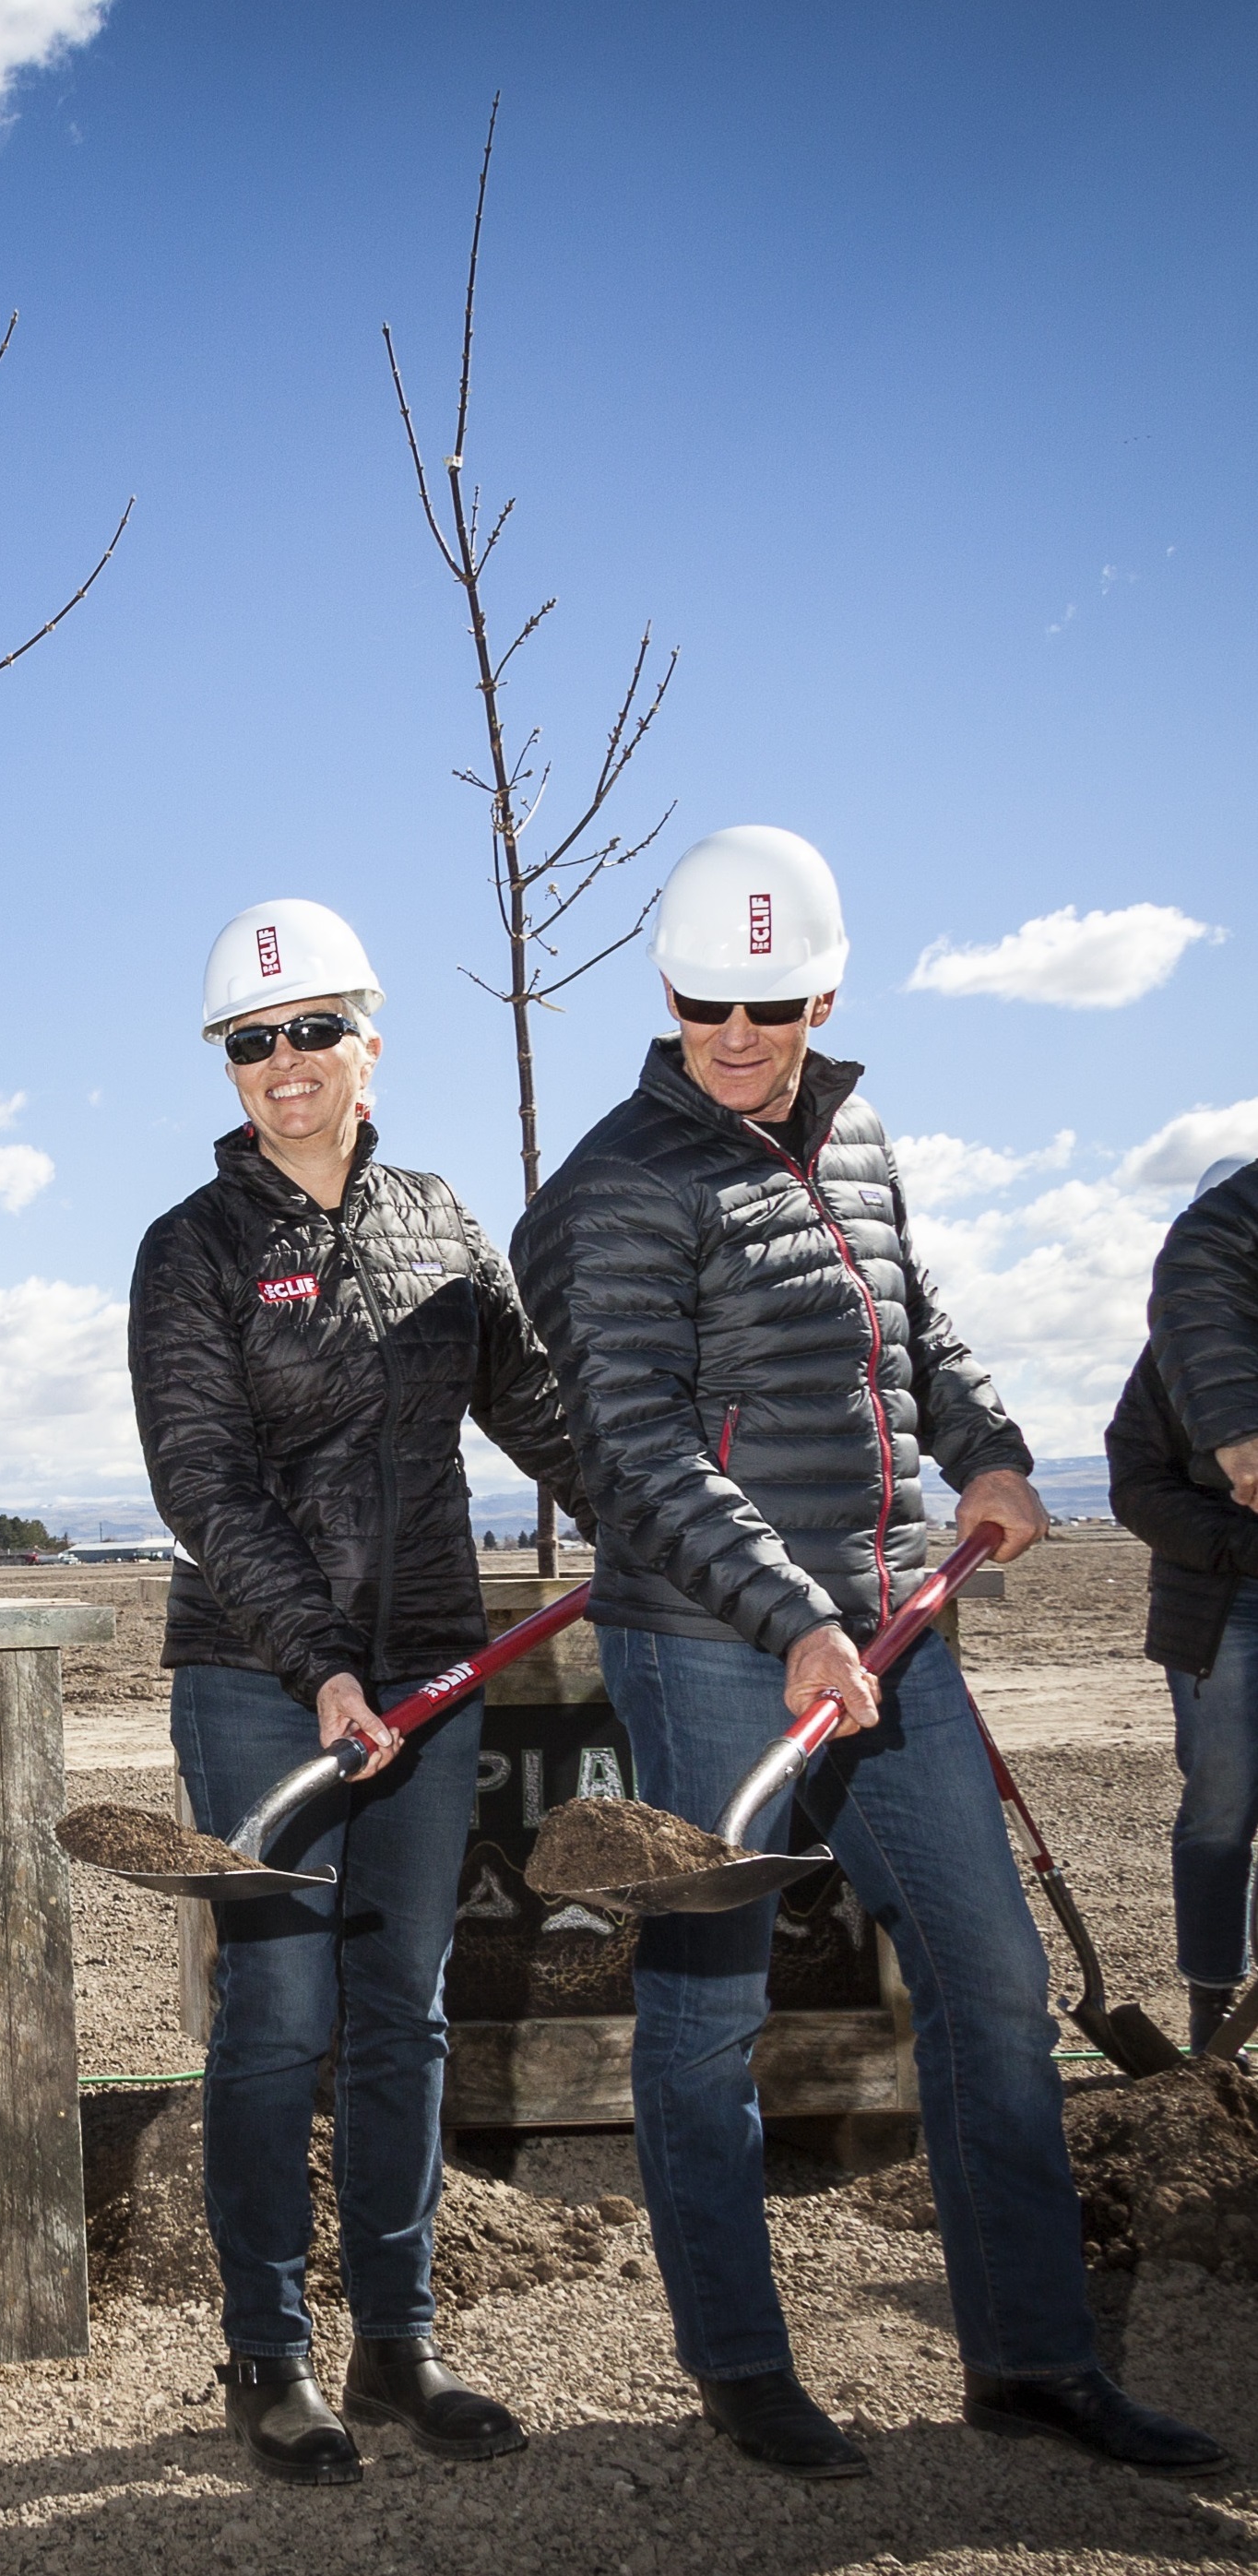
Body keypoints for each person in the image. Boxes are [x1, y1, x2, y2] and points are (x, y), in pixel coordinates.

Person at [513, 825, 1224, 2481]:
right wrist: (794, 1617)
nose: (738, 1034)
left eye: (769, 1003)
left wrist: (983, 1447)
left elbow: (911, 1320)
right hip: (710, 1645)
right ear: (667, 989)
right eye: (705, 1003)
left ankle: (1033, 2358)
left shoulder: (858, 1129)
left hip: (891, 1619)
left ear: (824, 986)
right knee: (706, 2014)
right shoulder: (612, 1187)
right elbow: (632, 1446)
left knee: (992, 1982)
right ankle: (742, 2367)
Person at [129, 898, 576, 2487]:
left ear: (370, 1041)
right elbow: (203, 1480)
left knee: (404, 2008)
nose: (283, 1063)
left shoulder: (443, 1222)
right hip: (262, 1679)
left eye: (312, 1028)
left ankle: (397, 2338)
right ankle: (267, 2351)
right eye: (251, 1042)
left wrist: (659, 1509)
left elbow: (536, 1408)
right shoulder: (190, 1250)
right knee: (279, 2013)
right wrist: (318, 1660)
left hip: (434, 1673)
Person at [1115, 1155, 1258, 2056]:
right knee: (1220, 1806)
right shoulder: (1176, 1362)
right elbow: (1135, 1485)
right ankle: (1214, 2014)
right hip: (1222, 1614)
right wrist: (1242, 1544)